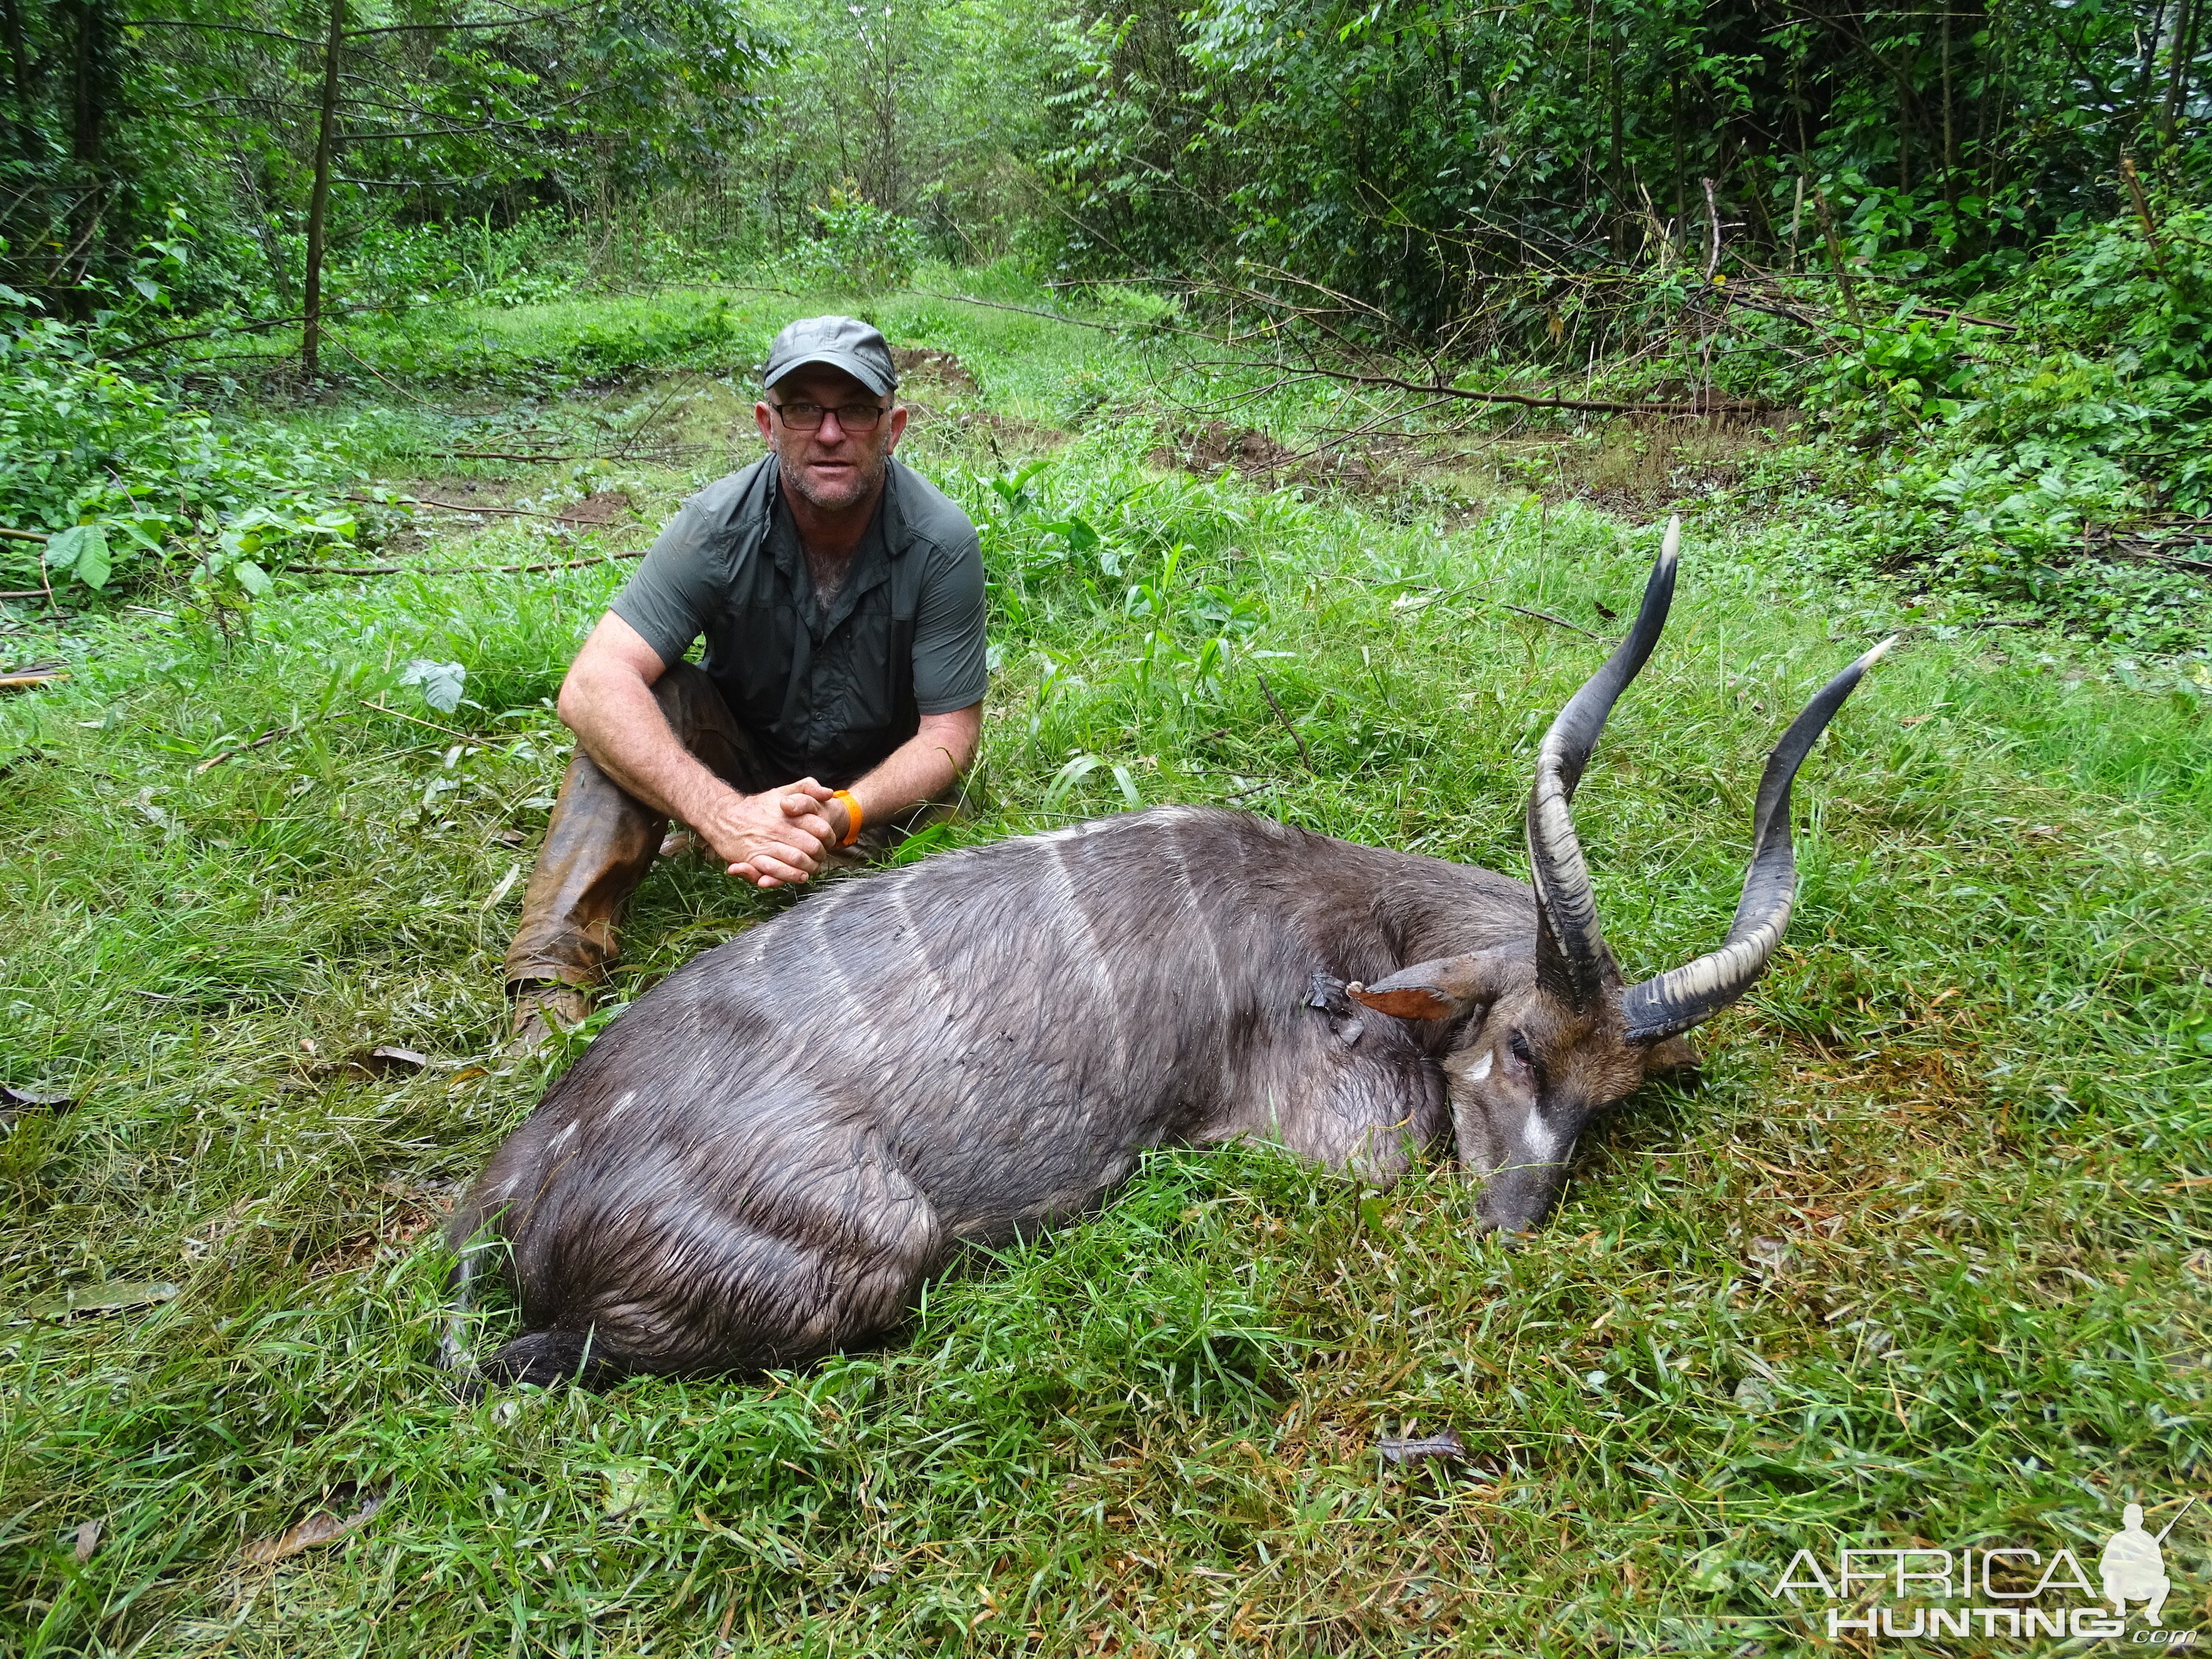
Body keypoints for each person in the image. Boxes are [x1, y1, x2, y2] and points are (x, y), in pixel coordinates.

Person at [502, 315, 987, 1050]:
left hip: (876, 794)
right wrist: (724, 814)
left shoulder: (940, 542)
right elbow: (592, 683)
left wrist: (841, 816)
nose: (829, 433)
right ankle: (549, 987)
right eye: (803, 409)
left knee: (964, 883)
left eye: (854, 409)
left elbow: (950, 736)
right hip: (744, 758)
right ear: (768, 423)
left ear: (894, 427)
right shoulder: (715, 525)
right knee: (642, 702)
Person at [2099, 1503, 2170, 1625]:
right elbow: (2104, 1565)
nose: (2133, 1522)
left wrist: (2144, 1569)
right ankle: (2119, 1607)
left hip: (2143, 1582)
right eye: (2130, 1519)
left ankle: (2152, 1613)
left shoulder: (2148, 1539)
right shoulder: (2117, 1539)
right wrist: (2122, 1569)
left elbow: (2160, 1567)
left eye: (2136, 1519)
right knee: (2111, 1576)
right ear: (2125, 1520)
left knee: (2165, 1582)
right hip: (2120, 1582)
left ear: (2142, 1520)